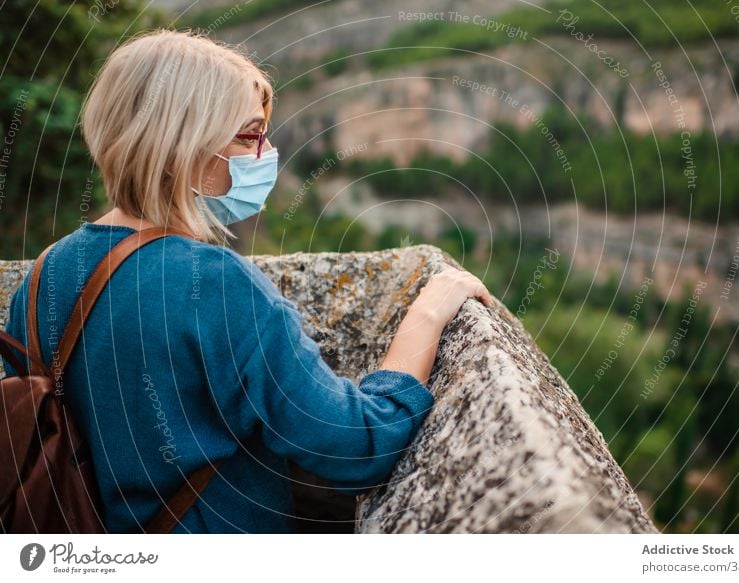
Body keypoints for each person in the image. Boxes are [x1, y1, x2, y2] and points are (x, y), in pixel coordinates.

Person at [1, 29, 491, 533]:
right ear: (183, 144)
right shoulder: (216, 285)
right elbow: (354, 445)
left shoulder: (42, 278)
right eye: (248, 135)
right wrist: (427, 314)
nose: (265, 152)